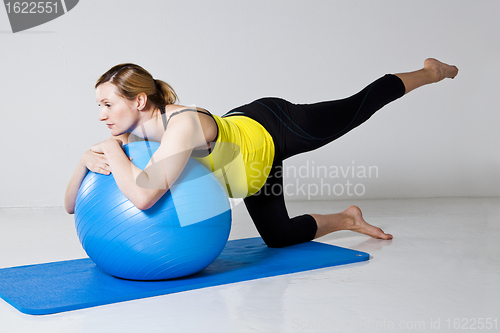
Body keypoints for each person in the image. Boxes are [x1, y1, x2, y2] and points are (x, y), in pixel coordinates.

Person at [64, 58, 458, 248]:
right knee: (279, 237)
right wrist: (84, 159)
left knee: (356, 107)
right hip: (249, 169)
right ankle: (348, 218)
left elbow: (145, 196)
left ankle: (431, 72)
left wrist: (108, 151)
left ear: (139, 101)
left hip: (273, 128)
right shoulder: (131, 136)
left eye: (106, 105)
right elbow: (70, 206)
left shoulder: (179, 125)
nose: (101, 116)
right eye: (98, 106)